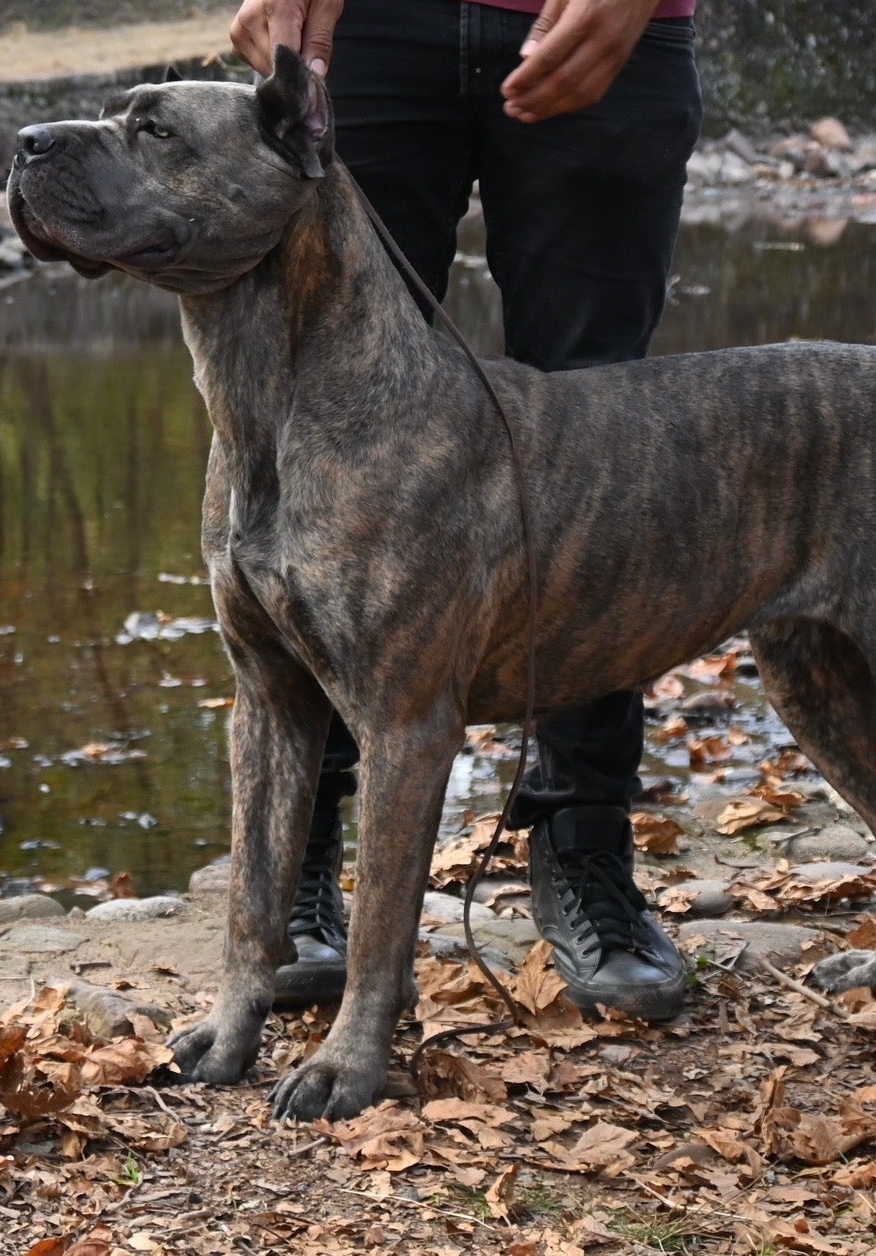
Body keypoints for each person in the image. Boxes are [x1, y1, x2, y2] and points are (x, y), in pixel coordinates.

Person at [229, 0, 703, 1020]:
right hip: (368, 24)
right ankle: (303, 859)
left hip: (606, 22)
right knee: (315, 414)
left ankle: (583, 843)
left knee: (605, 447)